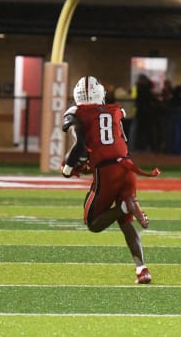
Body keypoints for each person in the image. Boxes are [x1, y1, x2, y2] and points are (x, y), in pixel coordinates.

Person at [60, 76, 160, 284]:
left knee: (93, 223)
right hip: (127, 166)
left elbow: (79, 146)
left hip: (107, 171)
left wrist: (68, 168)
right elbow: (114, 141)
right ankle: (142, 269)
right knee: (125, 223)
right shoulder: (114, 110)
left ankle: (124, 207)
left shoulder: (77, 113)